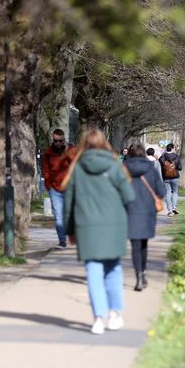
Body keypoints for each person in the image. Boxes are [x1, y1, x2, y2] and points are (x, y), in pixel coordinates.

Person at [62, 128, 135, 335]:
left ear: (83, 144)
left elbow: (69, 202)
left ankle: (98, 319)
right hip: (114, 227)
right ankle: (115, 314)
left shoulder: (77, 168)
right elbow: (129, 196)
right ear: (104, 143)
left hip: (87, 227)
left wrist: (70, 231)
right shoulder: (115, 166)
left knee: (93, 272)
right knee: (113, 270)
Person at [124, 144, 165, 291]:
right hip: (147, 212)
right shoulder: (151, 169)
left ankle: (139, 276)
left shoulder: (123, 170)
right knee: (144, 245)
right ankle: (143, 273)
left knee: (135, 246)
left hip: (130, 211)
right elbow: (161, 191)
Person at [42, 129, 75, 248]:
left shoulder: (70, 150)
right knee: (58, 216)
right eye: (55, 141)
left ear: (64, 140)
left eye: (60, 141)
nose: (58, 143)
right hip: (55, 189)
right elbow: (45, 170)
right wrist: (48, 185)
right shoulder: (48, 153)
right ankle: (62, 241)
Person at [159, 143, 182, 216]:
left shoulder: (162, 157)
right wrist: (174, 167)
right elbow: (180, 168)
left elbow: (160, 168)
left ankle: (170, 210)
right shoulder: (176, 156)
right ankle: (174, 207)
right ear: (172, 148)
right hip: (174, 177)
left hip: (165, 178)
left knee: (167, 193)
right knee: (175, 192)